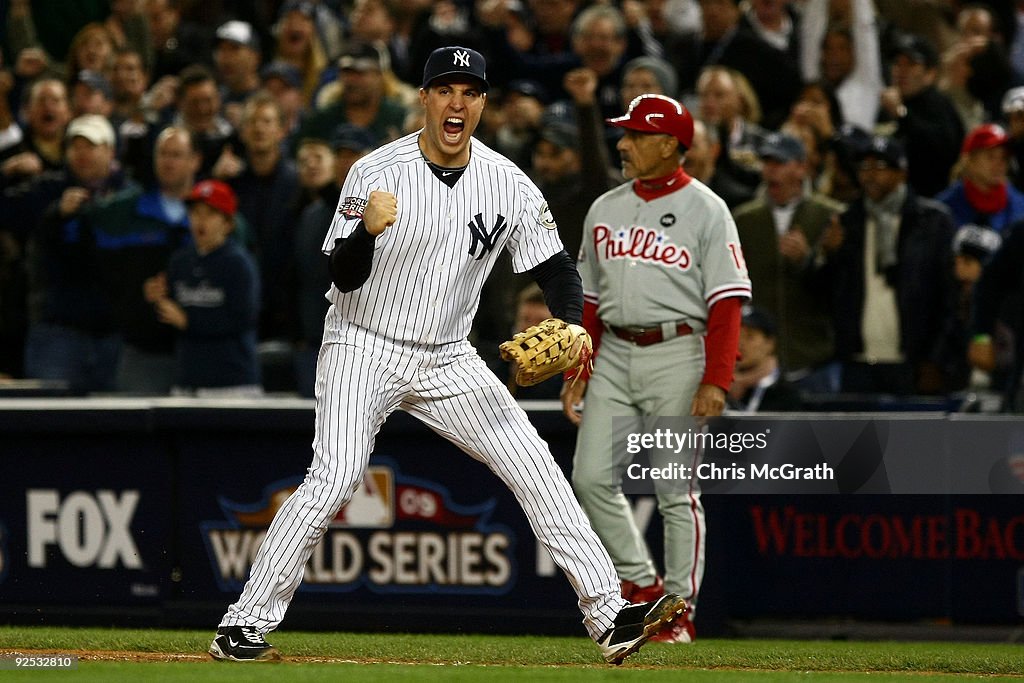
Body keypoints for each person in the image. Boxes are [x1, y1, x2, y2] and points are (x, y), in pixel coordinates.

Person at [208, 46, 686, 665]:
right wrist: (363, 230)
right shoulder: (376, 172)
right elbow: (341, 274)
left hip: (448, 355)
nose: (457, 102)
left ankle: (610, 615)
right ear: (425, 99)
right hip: (362, 341)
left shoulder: (506, 180)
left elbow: (557, 269)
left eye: (470, 92)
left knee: (534, 465)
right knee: (335, 476)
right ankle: (242, 625)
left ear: (483, 103)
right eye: (445, 90)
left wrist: (569, 322)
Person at [563, 94, 750, 644]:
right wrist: (580, 367)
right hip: (614, 352)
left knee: (674, 489)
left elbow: (726, 304)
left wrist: (716, 378)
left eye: (636, 135)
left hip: (679, 352)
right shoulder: (605, 208)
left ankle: (680, 613)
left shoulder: (709, 210)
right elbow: (591, 301)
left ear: (669, 144)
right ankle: (645, 591)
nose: (623, 144)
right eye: (625, 134)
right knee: (590, 478)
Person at [827, 135, 956, 395]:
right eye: (864, 168)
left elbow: (948, 298)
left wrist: (935, 359)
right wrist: (830, 254)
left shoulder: (932, 222)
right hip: (858, 361)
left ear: (902, 173)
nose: (870, 176)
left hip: (913, 362)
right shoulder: (847, 222)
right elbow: (824, 293)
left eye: (880, 167)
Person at [85, 127, 200, 394]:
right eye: (163, 154)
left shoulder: (216, 213)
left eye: (177, 155)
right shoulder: (121, 212)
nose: (168, 161)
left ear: (195, 160)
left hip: (201, 351)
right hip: (141, 351)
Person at [733, 131, 843, 392]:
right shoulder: (744, 220)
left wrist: (809, 261)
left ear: (801, 168)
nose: (770, 171)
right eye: (767, 163)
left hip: (814, 359)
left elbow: (842, 289)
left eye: (779, 163)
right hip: (757, 364)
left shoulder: (830, 217)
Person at [145, 179, 261, 396]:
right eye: (195, 213)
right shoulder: (180, 262)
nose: (200, 221)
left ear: (228, 223)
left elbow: (243, 318)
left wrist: (188, 321)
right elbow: (167, 319)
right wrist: (156, 300)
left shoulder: (239, 263)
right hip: (188, 379)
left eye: (210, 214)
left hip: (232, 383)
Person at [936, 123, 1024, 234]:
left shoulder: (1020, 208)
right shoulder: (943, 209)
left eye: (1004, 158)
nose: (999, 165)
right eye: (990, 156)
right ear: (969, 161)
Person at [727, 305, 803, 412]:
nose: (740, 343)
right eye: (734, 335)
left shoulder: (783, 392)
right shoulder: (713, 388)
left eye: (750, 336)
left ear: (769, 343)